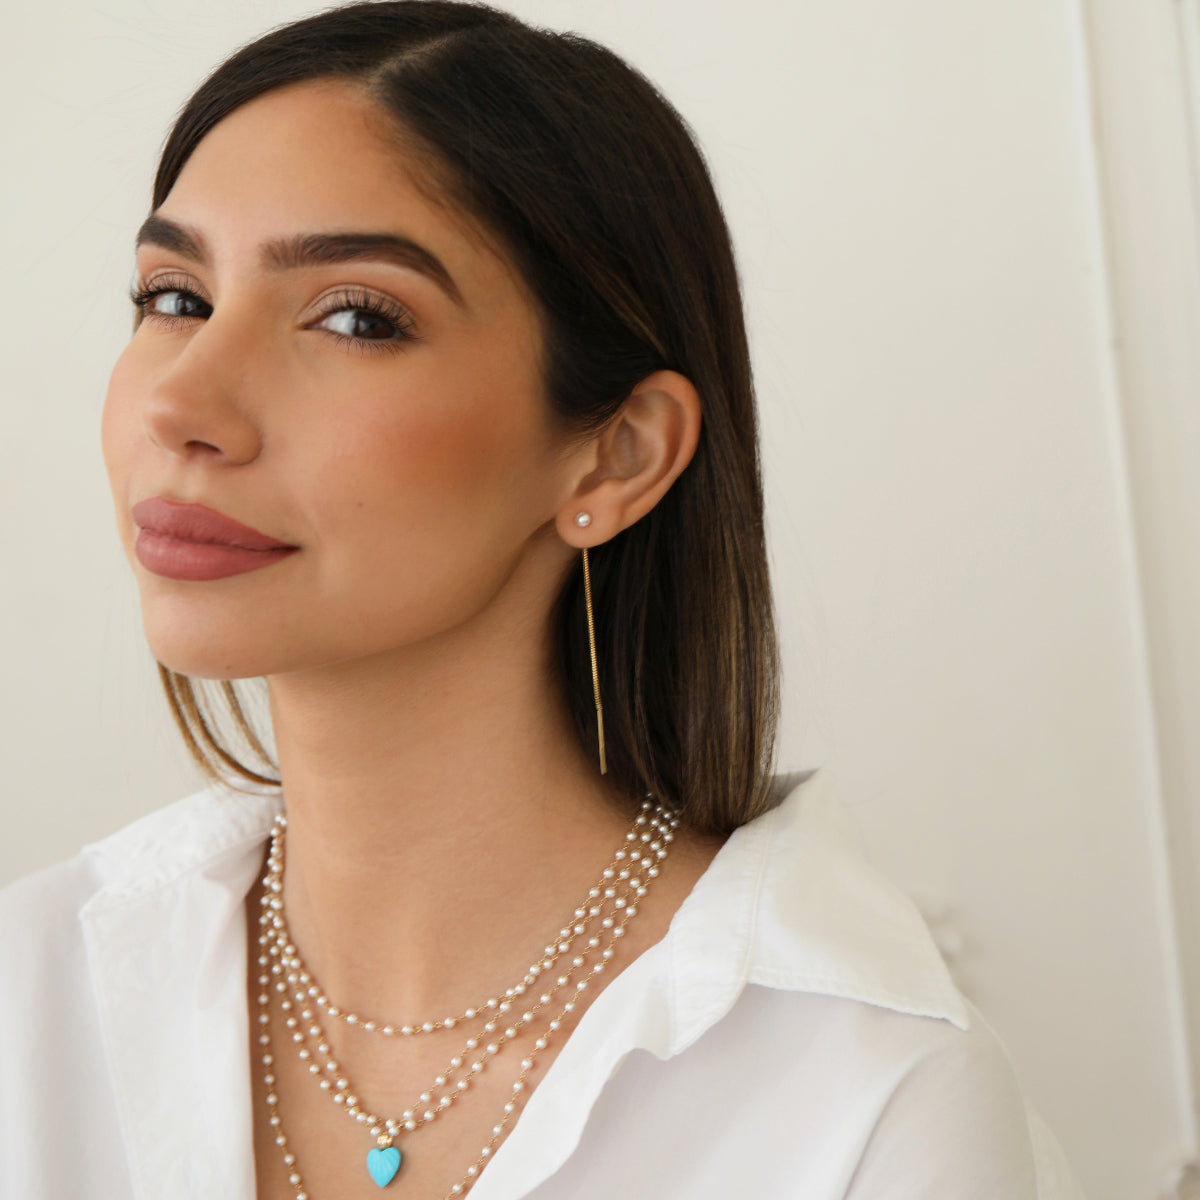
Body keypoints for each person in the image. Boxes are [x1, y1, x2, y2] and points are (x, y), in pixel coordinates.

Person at [0, 2, 1086, 1196]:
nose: (179, 404)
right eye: (175, 297)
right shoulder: (33, 997)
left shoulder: (869, 1100)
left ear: (617, 455)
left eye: (355, 317)